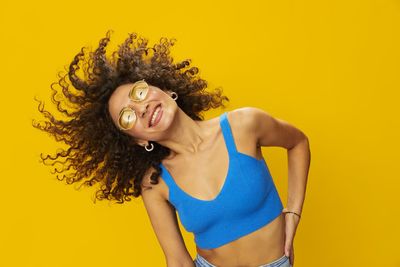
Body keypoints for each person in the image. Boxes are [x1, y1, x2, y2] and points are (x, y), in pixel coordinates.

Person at [33, 30, 310, 267]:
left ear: (163, 89)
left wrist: (293, 213)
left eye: (139, 93)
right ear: (138, 140)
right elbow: (177, 261)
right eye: (127, 117)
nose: (141, 109)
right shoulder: (155, 183)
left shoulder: (244, 125)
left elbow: (298, 142)